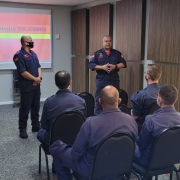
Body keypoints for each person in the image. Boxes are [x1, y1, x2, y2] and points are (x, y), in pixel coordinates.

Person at [50, 85, 138, 180]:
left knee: (57, 148)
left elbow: (75, 154)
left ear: (100, 102)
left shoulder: (90, 123)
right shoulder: (131, 121)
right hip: (120, 169)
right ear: (119, 101)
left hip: (91, 171)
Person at [37, 70, 86, 149]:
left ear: (56, 83)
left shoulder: (49, 102)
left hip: (54, 142)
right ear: (70, 82)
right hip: (76, 140)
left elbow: (44, 126)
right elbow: (84, 123)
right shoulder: (81, 101)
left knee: (40, 133)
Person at [134, 84, 180, 168]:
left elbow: (141, 145)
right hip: (172, 160)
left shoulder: (151, 120)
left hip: (149, 162)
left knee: (129, 150)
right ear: (176, 99)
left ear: (159, 99)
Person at [89, 35, 126, 115]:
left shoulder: (117, 53)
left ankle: (115, 115)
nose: (108, 43)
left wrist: (115, 66)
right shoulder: (97, 54)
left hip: (114, 80)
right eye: (106, 41)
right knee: (99, 98)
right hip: (101, 80)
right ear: (103, 42)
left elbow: (124, 63)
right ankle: (98, 116)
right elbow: (91, 65)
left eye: (109, 41)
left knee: (114, 99)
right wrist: (102, 67)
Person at [13, 35, 42, 139]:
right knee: (25, 108)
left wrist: (39, 78)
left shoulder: (33, 53)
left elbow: (39, 66)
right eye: (30, 41)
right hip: (27, 86)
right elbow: (22, 72)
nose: (32, 42)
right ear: (25, 42)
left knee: (36, 106)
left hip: (36, 85)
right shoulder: (18, 55)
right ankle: (22, 128)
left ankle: (35, 125)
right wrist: (35, 79)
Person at [130, 64, 162, 133]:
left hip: (142, 130)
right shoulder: (165, 94)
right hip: (159, 130)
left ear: (148, 76)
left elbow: (134, 116)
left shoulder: (140, 95)